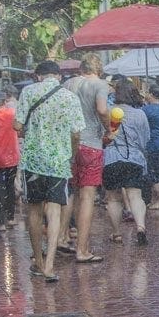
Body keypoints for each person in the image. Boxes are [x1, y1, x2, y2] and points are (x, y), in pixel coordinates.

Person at [14, 60, 84, 282]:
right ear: (58, 76)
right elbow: (76, 133)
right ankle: (50, 266)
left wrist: (34, 130)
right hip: (59, 161)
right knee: (54, 212)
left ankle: (38, 260)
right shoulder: (70, 98)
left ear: (38, 76)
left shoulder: (28, 91)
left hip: (33, 161)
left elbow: (17, 126)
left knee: (34, 211)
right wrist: (70, 154)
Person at [62, 53, 107, 263]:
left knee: (71, 192)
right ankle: (82, 249)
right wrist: (108, 128)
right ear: (98, 69)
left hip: (69, 144)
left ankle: (63, 236)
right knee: (88, 196)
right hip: (91, 144)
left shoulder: (69, 84)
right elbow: (101, 109)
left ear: (81, 68)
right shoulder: (100, 84)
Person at [103, 80, 150, 246]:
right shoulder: (140, 114)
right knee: (135, 195)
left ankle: (116, 233)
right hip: (134, 158)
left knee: (113, 198)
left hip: (111, 158)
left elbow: (104, 136)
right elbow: (145, 141)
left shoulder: (107, 112)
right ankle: (141, 227)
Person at [0, 90, 19, 230]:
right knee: (10, 186)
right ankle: (11, 218)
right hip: (12, 156)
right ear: (4, 100)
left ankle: (1, 222)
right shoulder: (12, 113)